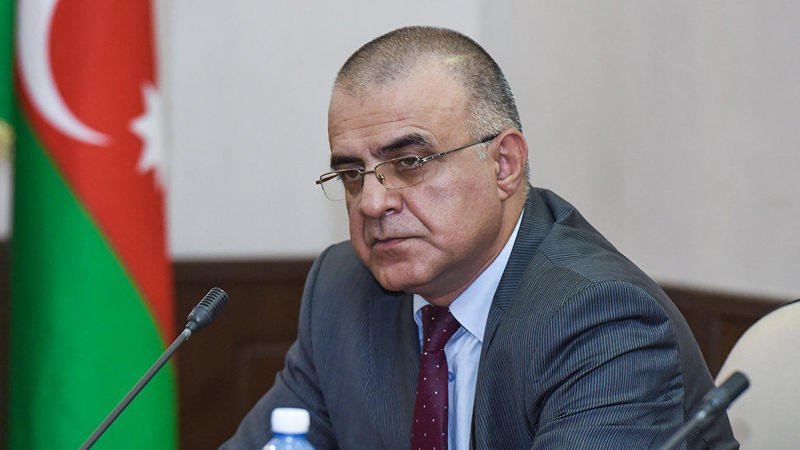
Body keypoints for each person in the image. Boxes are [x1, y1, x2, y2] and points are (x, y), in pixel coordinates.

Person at [222, 26, 737, 449]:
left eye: (410, 162)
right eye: (353, 174)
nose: (373, 203)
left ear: (503, 164)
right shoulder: (342, 290)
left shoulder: (601, 318)